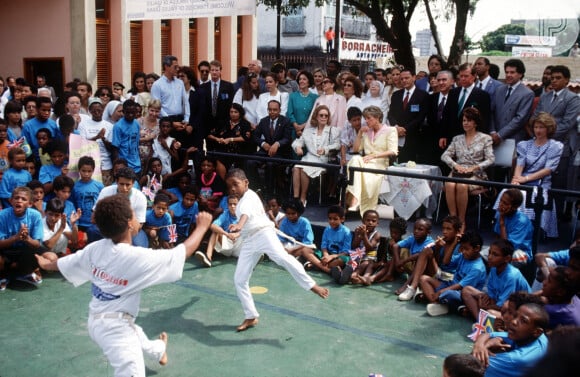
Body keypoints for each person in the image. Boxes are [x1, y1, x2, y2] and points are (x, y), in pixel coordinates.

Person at [35, 194, 212, 377]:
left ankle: (158, 350)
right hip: (116, 331)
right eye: (135, 215)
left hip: (96, 319)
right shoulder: (136, 258)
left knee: (135, 331)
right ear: (129, 223)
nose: (138, 219)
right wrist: (202, 227)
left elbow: (66, 263)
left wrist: (46, 264)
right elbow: (181, 253)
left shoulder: (95, 248)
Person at [225, 168, 329, 332]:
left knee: (283, 259)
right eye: (229, 185)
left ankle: (312, 286)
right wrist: (238, 232)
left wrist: (238, 225)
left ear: (246, 183)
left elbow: (245, 216)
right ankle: (251, 315)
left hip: (264, 235)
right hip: (249, 241)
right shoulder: (240, 201)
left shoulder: (249, 197)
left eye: (235, 184)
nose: (232, 189)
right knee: (239, 279)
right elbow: (247, 223)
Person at [533, 65, 580, 216]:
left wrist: (545, 133)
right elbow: (536, 116)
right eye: (552, 78)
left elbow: (567, 124)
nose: (554, 81)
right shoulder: (545, 96)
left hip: (562, 146)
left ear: (566, 80)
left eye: (558, 78)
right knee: (540, 180)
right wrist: (539, 133)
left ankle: (556, 219)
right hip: (540, 143)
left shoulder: (572, 99)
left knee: (557, 184)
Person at [509, 112, 563, 238]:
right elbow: (520, 164)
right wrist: (516, 180)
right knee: (509, 192)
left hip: (541, 184)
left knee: (525, 195)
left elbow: (548, 169)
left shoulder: (555, 146)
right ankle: (510, 227)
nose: (538, 130)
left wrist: (526, 178)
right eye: (536, 127)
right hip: (523, 180)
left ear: (548, 129)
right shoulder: (525, 144)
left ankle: (526, 231)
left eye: (541, 127)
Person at [441, 107, 495, 230]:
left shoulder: (485, 138)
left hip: (476, 174)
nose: (465, 123)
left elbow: (491, 159)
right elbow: (445, 155)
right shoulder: (457, 139)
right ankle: (453, 220)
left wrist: (475, 168)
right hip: (458, 172)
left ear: (475, 122)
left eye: (469, 120)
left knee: (462, 185)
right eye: (464, 120)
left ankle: (461, 221)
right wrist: (455, 165)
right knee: (449, 184)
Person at [345, 106, 398, 216]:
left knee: (356, 167)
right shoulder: (366, 131)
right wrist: (359, 134)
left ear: (378, 117)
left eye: (369, 118)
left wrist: (374, 156)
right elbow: (355, 150)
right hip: (366, 162)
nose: (366, 121)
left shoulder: (390, 130)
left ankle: (353, 199)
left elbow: (393, 151)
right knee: (355, 159)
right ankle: (355, 199)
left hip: (380, 163)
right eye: (365, 118)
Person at [421, 230, 488, 316]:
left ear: (477, 249)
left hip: (461, 293)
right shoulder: (463, 256)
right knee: (424, 279)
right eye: (462, 248)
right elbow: (446, 262)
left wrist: (440, 292)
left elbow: (461, 286)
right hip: (450, 283)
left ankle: (442, 301)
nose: (463, 251)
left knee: (448, 294)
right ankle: (437, 304)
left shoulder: (477, 268)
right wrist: (454, 243)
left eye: (466, 249)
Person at [461, 239, 531, 321]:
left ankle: (480, 315)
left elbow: (503, 306)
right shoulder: (494, 268)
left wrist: (484, 306)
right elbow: (491, 295)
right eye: (489, 252)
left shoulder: (511, 276)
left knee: (491, 312)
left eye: (495, 255)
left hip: (515, 309)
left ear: (507, 258)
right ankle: (479, 320)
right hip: (498, 301)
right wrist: (483, 299)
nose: (489, 257)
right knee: (467, 290)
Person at [397, 215, 463, 301]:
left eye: (448, 229)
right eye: (443, 228)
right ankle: (412, 287)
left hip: (450, 278)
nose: (444, 232)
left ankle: (424, 293)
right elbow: (438, 262)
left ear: (457, 232)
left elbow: (446, 262)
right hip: (439, 273)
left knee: (424, 277)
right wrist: (437, 248)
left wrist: (453, 243)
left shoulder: (461, 247)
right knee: (426, 251)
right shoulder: (443, 242)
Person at [475, 303, 549, 377]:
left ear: (537, 332)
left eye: (523, 321)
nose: (513, 321)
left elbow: (470, 366)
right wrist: (479, 345)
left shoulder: (515, 359)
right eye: (515, 316)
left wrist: (485, 346)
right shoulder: (540, 337)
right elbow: (488, 334)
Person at [291, 105, 340, 206]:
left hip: (322, 160)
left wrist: (326, 149)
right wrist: (298, 148)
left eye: (326, 116)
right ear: (316, 117)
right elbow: (297, 142)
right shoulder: (308, 131)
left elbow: (338, 145)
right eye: (321, 115)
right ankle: (296, 198)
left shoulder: (333, 130)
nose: (323, 118)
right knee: (296, 168)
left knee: (304, 168)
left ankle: (303, 197)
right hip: (309, 158)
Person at [0, 187, 46, 289]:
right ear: (11, 201)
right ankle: (2, 276)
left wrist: (27, 238)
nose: (19, 200)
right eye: (16, 198)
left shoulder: (35, 215)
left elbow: (37, 244)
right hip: (6, 249)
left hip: (25, 249)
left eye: (23, 199)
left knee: (37, 252)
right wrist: (16, 237)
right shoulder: (2, 215)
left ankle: (27, 273)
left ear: (30, 204)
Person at [247, 99, 293, 194]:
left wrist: (277, 144)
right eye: (270, 109)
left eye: (275, 110)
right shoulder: (264, 121)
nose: (272, 112)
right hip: (265, 151)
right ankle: (258, 189)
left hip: (280, 153)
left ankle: (270, 193)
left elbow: (287, 138)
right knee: (250, 162)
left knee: (270, 164)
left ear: (279, 110)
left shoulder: (286, 121)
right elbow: (255, 136)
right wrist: (263, 143)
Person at [387, 68, 429, 163]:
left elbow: (420, 117)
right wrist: (396, 127)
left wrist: (405, 129)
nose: (404, 80)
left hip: (413, 136)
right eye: (402, 79)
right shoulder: (396, 95)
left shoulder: (423, 95)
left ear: (414, 78)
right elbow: (390, 114)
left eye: (407, 78)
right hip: (396, 135)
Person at [489, 59, 534, 146]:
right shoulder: (499, 89)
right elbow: (491, 112)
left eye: (512, 72)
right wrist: (492, 131)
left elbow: (520, 119)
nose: (508, 75)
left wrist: (500, 135)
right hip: (493, 138)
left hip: (513, 139)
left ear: (520, 74)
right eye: (507, 72)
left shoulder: (527, 93)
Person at [150, 56, 191, 146]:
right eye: (175, 67)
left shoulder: (179, 83)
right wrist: (171, 122)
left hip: (180, 119)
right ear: (166, 67)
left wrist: (186, 119)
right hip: (166, 121)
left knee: (182, 148)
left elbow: (185, 102)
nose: (177, 69)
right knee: (169, 149)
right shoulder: (157, 85)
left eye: (178, 66)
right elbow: (157, 106)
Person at [207, 103, 255, 178]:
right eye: (231, 112)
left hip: (239, 152)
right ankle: (222, 183)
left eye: (235, 112)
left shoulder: (245, 124)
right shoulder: (223, 122)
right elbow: (209, 135)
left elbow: (245, 138)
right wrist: (217, 139)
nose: (233, 114)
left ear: (240, 113)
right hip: (223, 150)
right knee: (217, 158)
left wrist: (230, 139)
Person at [391, 218, 436, 298]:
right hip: (412, 267)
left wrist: (403, 261)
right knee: (402, 249)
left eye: (420, 229)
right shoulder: (413, 238)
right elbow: (395, 246)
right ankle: (391, 274)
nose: (416, 231)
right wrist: (398, 263)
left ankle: (407, 285)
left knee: (419, 259)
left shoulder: (430, 242)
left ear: (428, 232)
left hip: (426, 270)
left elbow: (420, 255)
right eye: (415, 228)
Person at [301, 205, 352, 275]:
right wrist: (326, 255)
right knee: (305, 250)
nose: (332, 221)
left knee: (343, 260)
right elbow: (323, 246)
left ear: (342, 219)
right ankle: (328, 270)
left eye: (335, 219)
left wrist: (331, 257)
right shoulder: (327, 229)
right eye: (330, 218)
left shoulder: (347, 232)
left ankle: (316, 266)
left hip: (337, 256)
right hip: (326, 255)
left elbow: (346, 252)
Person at [195, 195, 242, 268]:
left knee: (252, 232)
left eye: (235, 204)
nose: (232, 206)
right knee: (215, 231)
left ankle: (254, 256)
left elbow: (250, 228)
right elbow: (213, 226)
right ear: (227, 205)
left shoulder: (244, 215)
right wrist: (227, 234)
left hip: (239, 246)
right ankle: (208, 257)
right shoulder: (225, 214)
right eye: (230, 204)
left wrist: (237, 234)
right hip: (227, 245)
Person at [78, 97, 115, 184]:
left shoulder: (109, 126)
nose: (97, 112)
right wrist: (96, 137)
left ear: (103, 109)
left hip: (106, 165)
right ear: (90, 111)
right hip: (89, 166)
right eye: (94, 110)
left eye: (99, 110)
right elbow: (82, 144)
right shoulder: (83, 125)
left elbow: (111, 148)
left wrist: (103, 139)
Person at [493, 189, 534, 266]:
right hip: (502, 247)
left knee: (504, 259)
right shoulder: (501, 214)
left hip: (520, 251)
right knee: (483, 256)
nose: (501, 205)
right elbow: (498, 237)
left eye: (505, 203)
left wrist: (502, 224)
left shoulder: (522, 221)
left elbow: (507, 248)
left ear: (515, 207)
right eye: (501, 201)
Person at [344, 209, 383, 285]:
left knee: (364, 264)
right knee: (351, 262)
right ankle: (345, 275)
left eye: (373, 221)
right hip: (358, 255)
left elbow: (370, 248)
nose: (370, 223)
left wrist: (364, 235)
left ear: (377, 223)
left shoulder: (376, 235)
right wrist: (359, 235)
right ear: (363, 221)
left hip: (370, 257)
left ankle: (355, 276)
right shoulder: (358, 230)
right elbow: (354, 246)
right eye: (368, 220)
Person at [72, 156, 104, 233]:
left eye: (89, 171)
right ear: (79, 170)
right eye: (83, 171)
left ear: (93, 171)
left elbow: (102, 204)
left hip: (95, 223)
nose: (86, 174)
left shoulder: (99, 186)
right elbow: (72, 205)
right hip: (80, 223)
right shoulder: (75, 187)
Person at [112, 99, 141, 174]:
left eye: (133, 112)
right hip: (125, 166)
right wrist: (117, 166)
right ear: (123, 112)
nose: (130, 115)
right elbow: (115, 148)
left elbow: (137, 144)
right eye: (128, 112)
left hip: (137, 165)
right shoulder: (118, 126)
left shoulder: (137, 124)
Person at [287, 70, 319, 139]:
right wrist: (296, 127)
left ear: (309, 82)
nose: (301, 81)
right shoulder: (292, 96)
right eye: (300, 79)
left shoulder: (315, 97)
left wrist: (303, 126)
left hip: (310, 130)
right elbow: (289, 113)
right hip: (294, 131)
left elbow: (315, 115)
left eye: (304, 79)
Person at [137, 99, 160, 170]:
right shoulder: (139, 121)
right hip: (138, 156)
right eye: (152, 110)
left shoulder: (160, 124)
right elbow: (132, 139)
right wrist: (146, 139)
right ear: (148, 109)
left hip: (152, 157)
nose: (154, 113)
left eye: (157, 111)